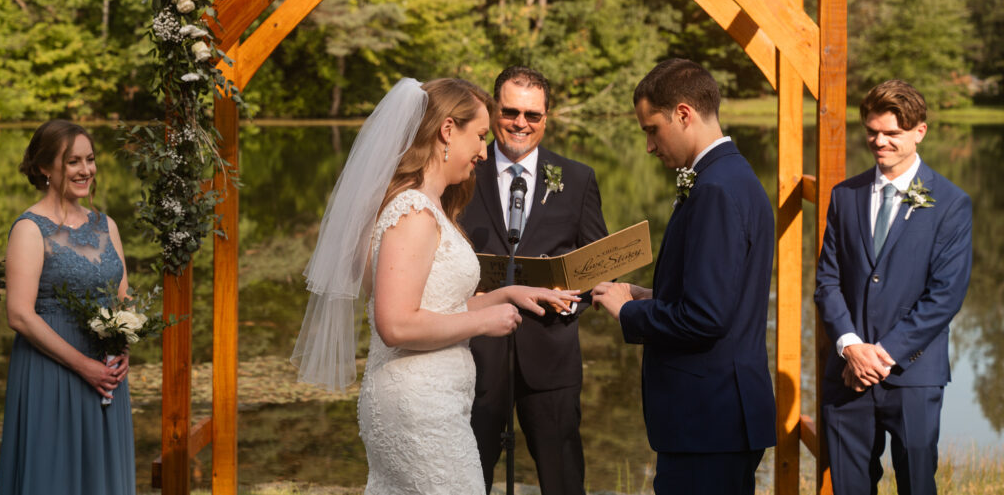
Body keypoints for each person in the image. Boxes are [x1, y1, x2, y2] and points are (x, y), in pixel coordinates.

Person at [291, 77, 576, 495]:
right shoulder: (413, 214)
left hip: (431, 402)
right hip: (418, 408)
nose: (484, 151)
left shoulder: (424, 205)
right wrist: (483, 322)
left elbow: (438, 303)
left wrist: (508, 294)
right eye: (479, 136)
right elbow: (397, 325)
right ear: (447, 130)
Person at [591, 58, 776, 495]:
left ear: (684, 114)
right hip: (718, 418)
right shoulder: (731, 175)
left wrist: (629, 313)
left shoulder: (714, 189)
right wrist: (652, 294)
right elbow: (721, 292)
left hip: (708, 420)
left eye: (652, 129)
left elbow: (705, 318)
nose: (650, 146)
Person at [814, 80, 972, 495]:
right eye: (871, 131)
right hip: (847, 375)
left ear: (920, 130)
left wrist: (881, 356)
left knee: (917, 486)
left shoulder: (951, 204)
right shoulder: (844, 196)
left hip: (913, 375)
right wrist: (850, 346)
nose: (878, 142)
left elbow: (945, 296)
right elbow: (827, 280)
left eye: (891, 134)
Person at [460, 66, 608, 495]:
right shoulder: (464, 170)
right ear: (493, 110)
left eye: (532, 115)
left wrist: (572, 297)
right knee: (469, 476)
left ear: (547, 118)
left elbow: (595, 265)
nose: (520, 123)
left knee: (562, 480)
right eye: (510, 112)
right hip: (476, 357)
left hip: (552, 352)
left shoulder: (577, 179)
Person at [0, 120, 135, 495]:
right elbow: (20, 315)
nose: (85, 170)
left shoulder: (107, 225)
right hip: (53, 372)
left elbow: (124, 297)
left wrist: (123, 347)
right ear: (45, 167)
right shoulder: (29, 229)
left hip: (106, 374)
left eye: (89, 159)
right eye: (73, 161)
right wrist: (83, 366)